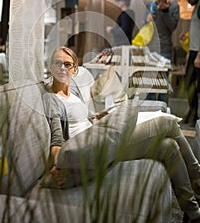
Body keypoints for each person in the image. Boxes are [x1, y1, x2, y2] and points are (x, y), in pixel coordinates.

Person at [42, 46, 200, 221]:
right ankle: (198, 179)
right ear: (51, 66)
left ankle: (193, 212)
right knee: (167, 123)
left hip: (99, 137)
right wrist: (57, 165)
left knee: (168, 147)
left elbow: (81, 121)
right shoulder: (51, 98)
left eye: (67, 64)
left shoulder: (73, 93)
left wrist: (98, 117)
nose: (62, 68)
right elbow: (56, 139)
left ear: (74, 69)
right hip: (92, 149)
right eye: (57, 63)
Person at [146, 0, 180, 102]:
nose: (162, 1)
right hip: (150, 49)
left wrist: (165, 12)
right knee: (149, 83)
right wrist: (147, 20)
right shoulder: (150, 6)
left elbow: (172, 27)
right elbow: (144, 28)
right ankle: (149, 112)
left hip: (165, 49)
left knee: (163, 84)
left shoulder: (174, 7)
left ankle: (162, 111)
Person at [180, 0, 200, 127]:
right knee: (189, 84)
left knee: (196, 87)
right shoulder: (195, 8)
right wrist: (187, 36)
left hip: (199, 53)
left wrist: (199, 54)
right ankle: (192, 112)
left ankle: (195, 116)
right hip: (193, 52)